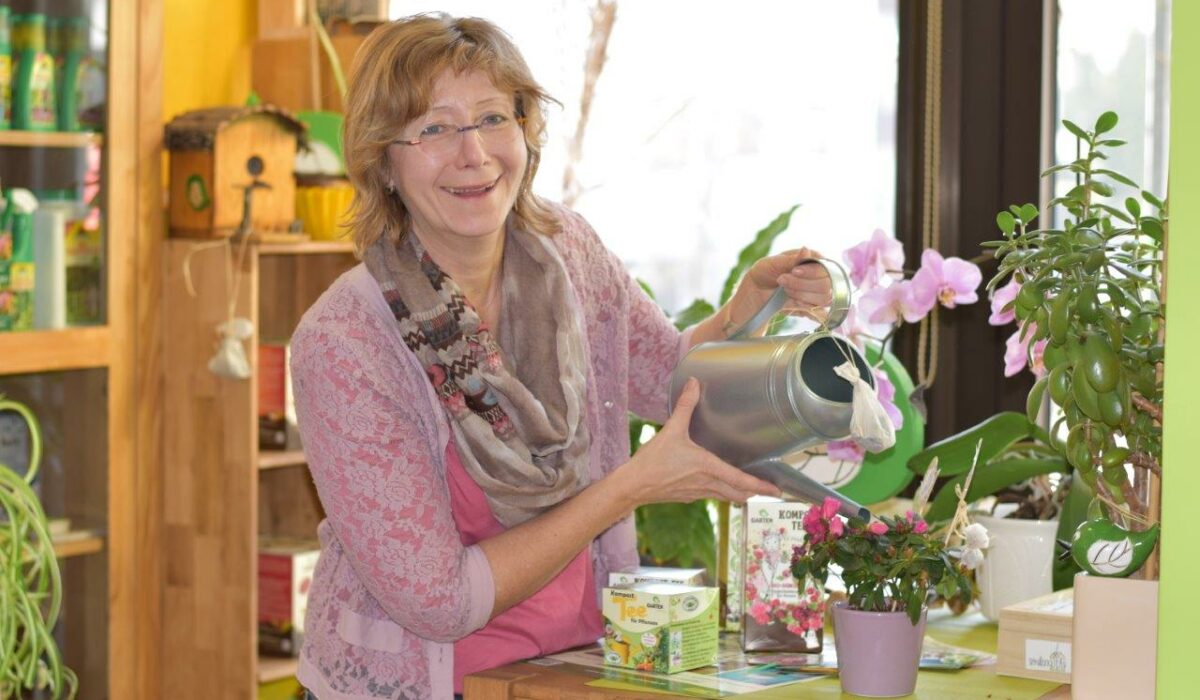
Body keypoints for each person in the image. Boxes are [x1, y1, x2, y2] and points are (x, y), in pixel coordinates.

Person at [289, 13, 834, 700]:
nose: (474, 153)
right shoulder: (345, 342)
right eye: (433, 128)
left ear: (526, 131)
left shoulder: (567, 253)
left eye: (493, 117)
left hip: (567, 671)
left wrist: (747, 306)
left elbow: (668, 380)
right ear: (384, 161)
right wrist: (628, 488)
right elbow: (440, 602)